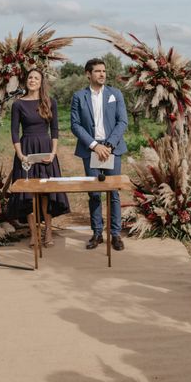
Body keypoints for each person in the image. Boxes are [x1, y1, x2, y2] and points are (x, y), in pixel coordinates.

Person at [70, 58, 128, 251]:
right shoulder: (79, 96)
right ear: (88, 74)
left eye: (104, 71)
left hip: (113, 148)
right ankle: (97, 233)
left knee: (113, 192)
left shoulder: (115, 94)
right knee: (94, 193)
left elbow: (122, 122)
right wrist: (95, 145)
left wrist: (109, 145)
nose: (102, 74)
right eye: (97, 71)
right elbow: (75, 125)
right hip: (91, 149)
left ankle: (115, 234)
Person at [8, 69, 70, 248]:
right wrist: (20, 155)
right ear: (26, 81)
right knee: (29, 194)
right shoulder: (18, 104)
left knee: (45, 192)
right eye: (30, 77)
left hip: (45, 150)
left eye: (36, 78)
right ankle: (33, 234)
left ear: (41, 82)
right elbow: (14, 131)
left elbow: (55, 130)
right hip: (26, 150)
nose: (32, 80)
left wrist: (53, 153)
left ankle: (48, 231)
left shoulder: (50, 102)